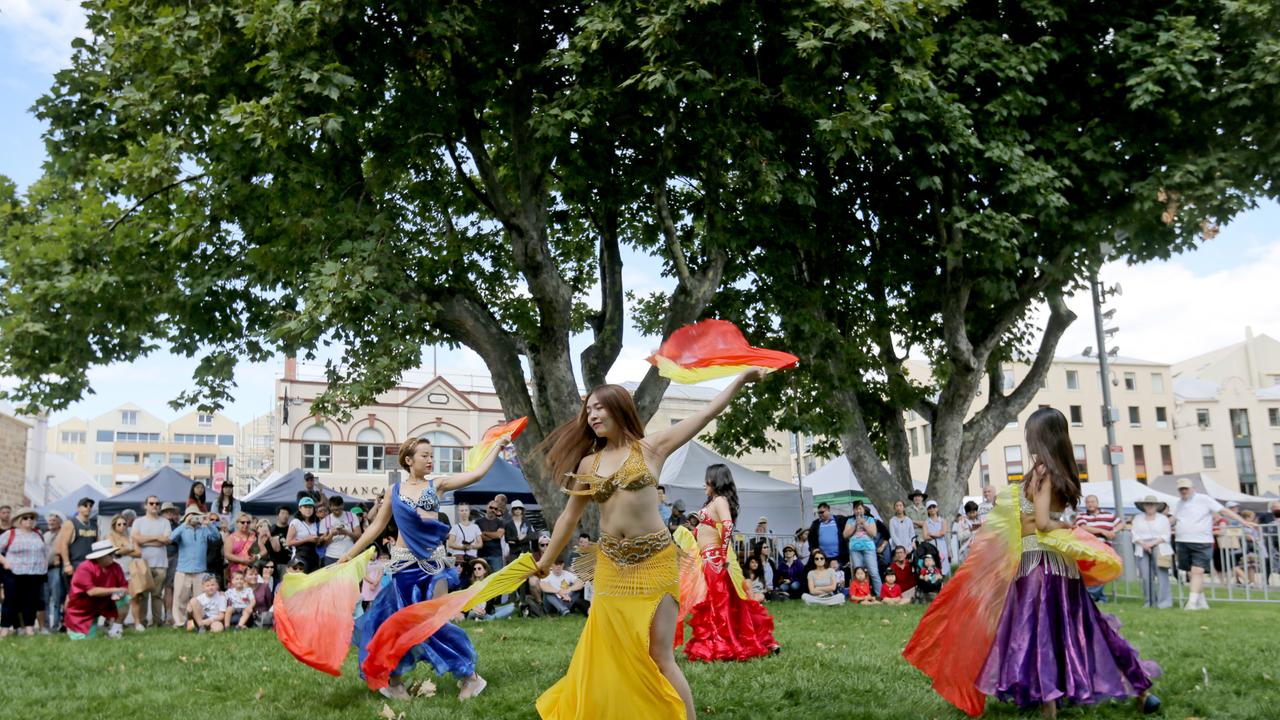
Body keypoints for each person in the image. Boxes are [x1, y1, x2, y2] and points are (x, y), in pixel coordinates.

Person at [534, 371, 766, 720]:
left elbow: (705, 414)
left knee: (660, 655)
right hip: (612, 566)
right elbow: (568, 517)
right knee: (609, 651)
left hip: (656, 562)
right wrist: (545, 560)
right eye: (589, 411)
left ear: (619, 408)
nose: (593, 415)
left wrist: (741, 380)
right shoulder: (587, 463)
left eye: (600, 408)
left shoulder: (651, 448)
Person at [905, 406, 1160, 718]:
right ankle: (1142, 691)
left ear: (1041, 437)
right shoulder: (1059, 472)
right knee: (1085, 629)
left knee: (1037, 636)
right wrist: (1065, 524)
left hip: (1038, 567)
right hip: (1059, 567)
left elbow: (1039, 522)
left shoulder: (1042, 473)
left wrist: (1062, 525)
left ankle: (1049, 709)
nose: (1028, 440)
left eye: (1030, 434)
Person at [338, 433, 511, 701]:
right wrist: (349, 554)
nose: (431, 460)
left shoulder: (437, 485)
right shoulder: (394, 492)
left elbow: (475, 475)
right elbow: (376, 526)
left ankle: (470, 677)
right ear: (408, 460)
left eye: (432, 455)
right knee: (399, 625)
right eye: (425, 455)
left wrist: (498, 447)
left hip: (433, 567)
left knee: (433, 624)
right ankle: (394, 681)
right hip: (403, 568)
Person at [682, 464, 778, 661]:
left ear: (715, 480)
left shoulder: (720, 500)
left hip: (715, 560)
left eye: (707, 479)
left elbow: (727, 525)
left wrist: (723, 555)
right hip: (709, 559)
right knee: (727, 602)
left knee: (721, 603)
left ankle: (724, 644)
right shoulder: (712, 502)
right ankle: (745, 642)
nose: (703, 484)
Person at [1172, 477, 1256, 610]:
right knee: (1191, 573)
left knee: (1197, 571)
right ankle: (1202, 601)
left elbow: (1223, 510)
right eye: (1181, 489)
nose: (1183, 491)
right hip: (1182, 540)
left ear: (1192, 488)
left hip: (1202, 541)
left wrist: (1242, 521)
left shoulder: (1204, 499)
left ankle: (1192, 603)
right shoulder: (1179, 503)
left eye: (1186, 488)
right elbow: (1175, 518)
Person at [64, 540, 128, 639]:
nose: (113, 556)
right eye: (110, 554)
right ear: (99, 557)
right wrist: (115, 590)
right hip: (81, 609)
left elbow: (124, 587)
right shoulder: (84, 568)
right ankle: (73, 630)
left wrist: (120, 593)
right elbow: (91, 592)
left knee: (126, 598)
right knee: (83, 641)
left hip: (104, 602)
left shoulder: (116, 567)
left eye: (113, 553)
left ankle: (115, 631)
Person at [170, 505, 221, 628]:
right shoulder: (181, 529)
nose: (193, 518)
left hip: (200, 571)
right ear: (186, 517)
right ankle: (180, 623)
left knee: (200, 600)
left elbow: (216, 537)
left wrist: (209, 523)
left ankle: (199, 622)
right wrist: (184, 524)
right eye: (191, 515)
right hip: (183, 570)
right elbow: (171, 538)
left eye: (196, 515)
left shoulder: (204, 529)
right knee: (180, 599)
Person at [0, 508, 48, 635]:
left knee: (31, 601)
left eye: (32, 518)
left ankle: (29, 627)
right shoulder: (10, 534)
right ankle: (4, 629)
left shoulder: (38, 533)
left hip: (35, 573)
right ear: (19, 520)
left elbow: (44, 552)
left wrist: (44, 565)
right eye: (26, 518)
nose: (29, 520)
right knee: (10, 601)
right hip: (14, 573)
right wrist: (5, 562)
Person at [131, 495, 172, 628]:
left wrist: (145, 540)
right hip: (142, 563)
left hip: (160, 564)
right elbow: (136, 539)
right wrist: (157, 538)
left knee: (157, 595)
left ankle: (156, 622)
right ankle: (142, 622)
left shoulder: (165, 522)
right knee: (142, 594)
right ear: (146, 505)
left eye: (157, 503)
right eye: (151, 503)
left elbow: (166, 540)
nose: (155, 505)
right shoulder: (138, 521)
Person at [1075, 494, 1120, 603]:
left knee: (1102, 572)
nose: (1090, 504)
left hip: (1105, 548)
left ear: (1097, 503)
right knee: (1091, 573)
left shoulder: (1108, 515)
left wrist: (1113, 532)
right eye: (1088, 502)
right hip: (1089, 549)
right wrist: (1103, 531)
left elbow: (1121, 523)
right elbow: (1083, 527)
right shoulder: (1081, 516)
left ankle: (1095, 596)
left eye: (1092, 501)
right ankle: (1095, 596)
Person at [1131, 495, 1173, 609]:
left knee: (1161, 574)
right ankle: (1149, 601)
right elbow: (1134, 534)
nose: (1150, 506)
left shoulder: (1163, 519)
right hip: (1142, 546)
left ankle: (1164, 602)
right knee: (1145, 576)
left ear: (1156, 506)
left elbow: (1166, 535)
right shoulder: (1138, 518)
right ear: (1143, 506)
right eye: (1147, 504)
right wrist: (1144, 544)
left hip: (1159, 546)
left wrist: (1152, 544)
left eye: (1152, 504)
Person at [106, 513, 145, 630]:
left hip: (131, 570)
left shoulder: (130, 536)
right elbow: (115, 551)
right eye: (119, 524)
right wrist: (129, 548)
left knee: (135, 597)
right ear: (114, 525)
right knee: (118, 599)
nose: (122, 526)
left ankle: (137, 623)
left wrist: (123, 549)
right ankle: (117, 624)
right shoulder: (110, 536)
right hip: (116, 573)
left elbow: (138, 552)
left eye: (124, 524)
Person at [843, 500, 881, 596]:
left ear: (863, 509)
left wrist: (864, 523)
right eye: (856, 509)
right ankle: (860, 595)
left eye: (860, 508)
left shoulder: (870, 519)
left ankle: (880, 594)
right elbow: (845, 535)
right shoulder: (850, 521)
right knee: (858, 573)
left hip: (868, 548)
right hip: (855, 549)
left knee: (873, 572)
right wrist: (855, 524)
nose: (858, 511)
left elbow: (873, 534)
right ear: (854, 510)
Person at [57, 497, 99, 577]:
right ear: (78, 508)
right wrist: (67, 564)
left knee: (90, 589)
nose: (88, 507)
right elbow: (63, 545)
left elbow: (97, 544)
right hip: (75, 564)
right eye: (85, 505)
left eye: (90, 505)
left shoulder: (94, 525)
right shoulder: (70, 523)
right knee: (75, 589)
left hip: (91, 564)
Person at [808, 502, 849, 572]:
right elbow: (811, 539)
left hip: (839, 556)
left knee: (839, 576)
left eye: (822, 512)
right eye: (819, 513)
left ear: (828, 510)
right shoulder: (815, 523)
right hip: (822, 557)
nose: (820, 514)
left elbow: (852, 519)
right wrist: (813, 549)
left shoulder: (839, 519)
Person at [286, 498, 322, 573]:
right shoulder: (295, 522)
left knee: (313, 582)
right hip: (300, 555)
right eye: (305, 507)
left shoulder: (315, 523)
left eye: (310, 507)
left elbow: (317, 542)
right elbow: (288, 542)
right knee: (300, 580)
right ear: (300, 508)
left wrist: (318, 539)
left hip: (313, 556)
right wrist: (306, 540)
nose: (308, 509)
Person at [44, 512, 67, 632]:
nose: (51, 522)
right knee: (46, 600)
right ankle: (47, 626)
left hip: (56, 569)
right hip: (44, 570)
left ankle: (56, 625)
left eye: (54, 520)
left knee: (57, 599)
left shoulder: (63, 534)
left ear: (59, 523)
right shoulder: (45, 534)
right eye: (50, 520)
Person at [320, 496, 358, 568]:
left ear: (343, 505)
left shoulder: (352, 516)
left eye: (339, 509)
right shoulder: (325, 521)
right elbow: (324, 543)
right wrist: (331, 534)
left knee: (351, 579)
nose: (337, 512)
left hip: (350, 554)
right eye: (334, 510)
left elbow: (358, 536)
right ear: (330, 507)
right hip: (331, 557)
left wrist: (347, 532)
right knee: (332, 579)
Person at [476, 501, 506, 574]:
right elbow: (479, 537)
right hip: (481, 555)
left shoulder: (500, 522)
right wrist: (493, 535)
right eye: (491, 507)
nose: (493, 510)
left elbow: (499, 535)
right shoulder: (478, 522)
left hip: (496, 556)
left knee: (496, 578)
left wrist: (485, 533)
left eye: (495, 509)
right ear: (487, 507)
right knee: (481, 578)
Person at [265, 505, 293, 584]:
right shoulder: (271, 530)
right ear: (277, 515)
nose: (285, 516)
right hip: (273, 564)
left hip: (288, 563)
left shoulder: (291, 529)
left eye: (287, 514)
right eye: (283, 513)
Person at [922, 500, 950, 575]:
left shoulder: (943, 521)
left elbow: (943, 532)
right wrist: (938, 534)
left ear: (937, 508)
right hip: (931, 548)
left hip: (942, 547)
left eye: (933, 507)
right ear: (927, 510)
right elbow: (925, 537)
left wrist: (931, 534)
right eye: (930, 508)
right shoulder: (926, 522)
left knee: (944, 568)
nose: (932, 509)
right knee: (932, 569)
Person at [246, 562, 275, 627]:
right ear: (245, 576)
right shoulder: (242, 589)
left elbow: (269, 604)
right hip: (247, 616)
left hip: (262, 616)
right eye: (251, 574)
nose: (254, 577)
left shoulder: (264, 587)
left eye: (256, 574)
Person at [953, 501, 981, 565]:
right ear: (966, 513)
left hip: (978, 550)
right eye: (970, 513)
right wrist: (970, 531)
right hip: (966, 550)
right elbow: (960, 537)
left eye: (974, 512)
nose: (972, 514)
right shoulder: (962, 522)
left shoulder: (979, 521)